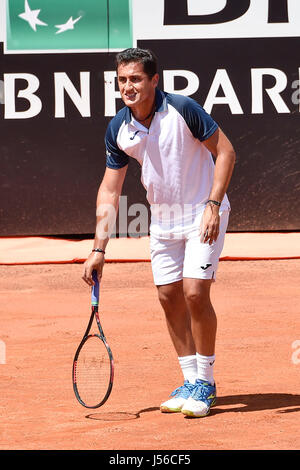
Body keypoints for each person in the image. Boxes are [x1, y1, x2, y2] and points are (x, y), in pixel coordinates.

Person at [82, 48, 236, 418]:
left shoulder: (183, 109)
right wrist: (98, 249)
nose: (128, 87)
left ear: (154, 80)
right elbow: (110, 190)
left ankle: (207, 382)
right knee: (169, 297)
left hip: (203, 214)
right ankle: (189, 380)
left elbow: (227, 152)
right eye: (122, 80)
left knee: (194, 292)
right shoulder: (119, 127)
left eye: (135, 78)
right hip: (163, 223)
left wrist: (213, 205)